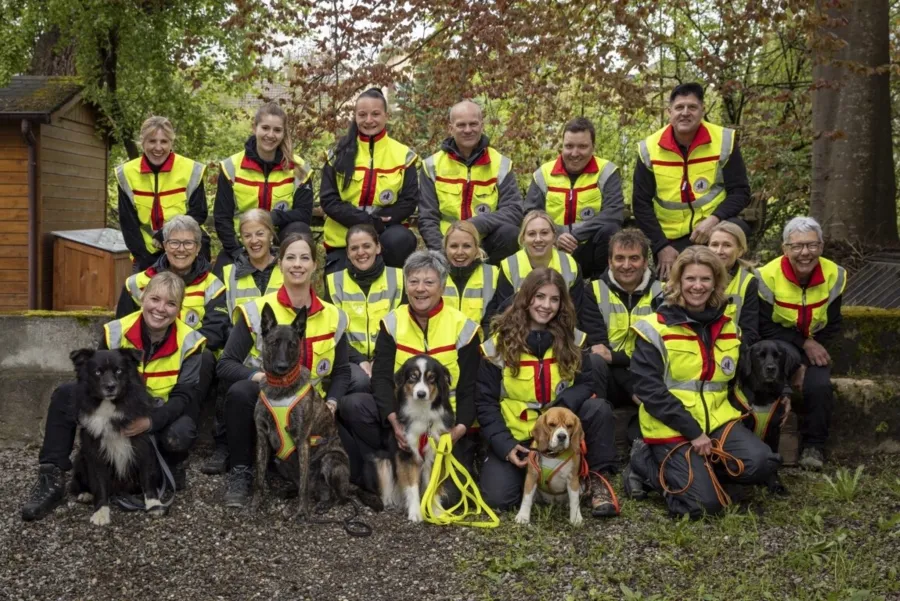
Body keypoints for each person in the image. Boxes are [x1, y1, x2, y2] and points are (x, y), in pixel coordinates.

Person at [21, 272, 209, 521]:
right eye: (155, 299)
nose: (161, 309)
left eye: (171, 303)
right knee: (65, 394)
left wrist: (150, 422)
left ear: (179, 309)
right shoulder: (115, 330)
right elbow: (96, 378)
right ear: (143, 297)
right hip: (122, 404)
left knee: (179, 434)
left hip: (159, 410)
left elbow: (184, 396)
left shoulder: (191, 341)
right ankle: (51, 475)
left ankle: (160, 472)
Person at [623, 246, 780, 518]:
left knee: (763, 463)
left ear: (716, 282)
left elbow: (739, 379)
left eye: (705, 279)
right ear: (677, 282)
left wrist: (782, 393)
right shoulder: (654, 327)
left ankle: (698, 471)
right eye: (690, 279)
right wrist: (694, 432)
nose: (698, 286)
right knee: (704, 507)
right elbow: (650, 391)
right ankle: (643, 465)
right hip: (671, 427)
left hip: (719, 423)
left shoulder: (729, 326)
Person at [216, 232, 351, 507]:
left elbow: (343, 371)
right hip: (268, 396)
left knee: (351, 469)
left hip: (313, 411)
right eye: (290, 257)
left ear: (315, 265)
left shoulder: (333, 315)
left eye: (305, 258)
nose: (297, 264)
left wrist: (333, 402)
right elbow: (226, 363)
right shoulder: (256, 311)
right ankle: (242, 472)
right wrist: (258, 377)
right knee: (240, 392)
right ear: (280, 264)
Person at [477, 267, 618, 517]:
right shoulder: (498, 343)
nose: (546, 305)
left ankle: (596, 479)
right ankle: (531, 474)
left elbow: (587, 383)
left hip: (561, 433)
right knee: (500, 499)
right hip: (518, 436)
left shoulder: (573, 338)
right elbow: (485, 402)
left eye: (554, 299)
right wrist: (506, 446)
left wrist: (562, 404)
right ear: (526, 298)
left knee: (599, 409)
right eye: (539, 297)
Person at [341, 251, 480, 499]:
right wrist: (395, 423)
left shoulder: (464, 327)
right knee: (354, 405)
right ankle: (383, 468)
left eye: (429, 282)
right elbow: (381, 378)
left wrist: (457, 431)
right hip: (404, 418)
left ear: (443, 286)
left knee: (451, 499)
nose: (420, 289)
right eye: (413, 282)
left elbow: (471, 387)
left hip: (445, 424)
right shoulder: (392, 323)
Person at [632, 82, 751, 280]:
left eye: (692, 107)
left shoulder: (724, 140)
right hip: (671, 238)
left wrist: (714, 219)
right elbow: (640, 204)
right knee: (674, 288)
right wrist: (661, 246)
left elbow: (740, 191)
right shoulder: (649, 149)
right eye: (679, 107)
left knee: (725, 259)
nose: (685, 113)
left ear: (702, 110)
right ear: (669, 112)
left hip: (716, 229)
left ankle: (733, 298)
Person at [755, 217, 846, 471]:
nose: (805, 253)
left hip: (816, 344)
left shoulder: (835, 275)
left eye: (811, 245)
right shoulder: (765, 276)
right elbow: (764, 326)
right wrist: (801, 347)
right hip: (778, 344)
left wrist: (807, 356)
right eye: (796, 246)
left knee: (819, 386)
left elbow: (834, 323)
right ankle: (764, 447)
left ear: (822, 246)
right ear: (785, 249)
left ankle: (814, 447)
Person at [202, 209, 283, 475]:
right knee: (227, 372)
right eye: (247, 235)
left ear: (272, 234)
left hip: (278, 356)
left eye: (260, 233)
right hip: (242, 354)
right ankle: (223, 444)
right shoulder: (227, 273)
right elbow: (222, 316)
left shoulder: (288, 268)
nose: (254, 240)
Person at [320, 88, 418, 274]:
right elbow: (329, 200)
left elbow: (409, 200)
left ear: (386, 116)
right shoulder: (337, 155)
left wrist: (380, 223)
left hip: (385, 237)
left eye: (375, 114)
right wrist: (366, 221)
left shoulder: (403, 155)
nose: (369, 120)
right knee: (339, 289)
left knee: (402, 239)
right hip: (343, 239)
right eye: (362, 114)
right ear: (355, 116)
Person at [419, 100, 523, 264]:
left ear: (482, 125)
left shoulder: (500, 164)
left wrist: (475, 224)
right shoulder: (432, 165)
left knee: (510, 233)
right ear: (450, 128)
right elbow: (427, 218)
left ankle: (496, 283)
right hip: (447, 246)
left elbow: (514, 210)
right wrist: (443, 253)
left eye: (473, 124)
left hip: (487, 242)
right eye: (461, 125)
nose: (468, 130)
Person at [214, 102, 313, 272]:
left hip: (282, 241)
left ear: (283, 133)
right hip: (243, 241)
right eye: (265, 128)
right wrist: (236, 251)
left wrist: (271, 218)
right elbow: (222, 217)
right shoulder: (231, 167)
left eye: (277, 130)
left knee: (300, 230)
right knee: (221, 273)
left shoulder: (299, 168)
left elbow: (303, 214)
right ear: (255, 128)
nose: (270, 135)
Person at [488, 211, 608, 349]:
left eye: (544, 233)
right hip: (520, 337)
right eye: (532, 234)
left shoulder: (570, 264)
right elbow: (507, 313)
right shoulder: (510, 265)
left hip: (561, 336)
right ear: (523, 238)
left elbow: (575, 313)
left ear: (554, 236)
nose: (538, 239)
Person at [524, 117, 624, 279]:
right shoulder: (542, 174)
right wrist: (556, 237)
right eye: (569, 146)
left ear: (593, 147)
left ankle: (599, 287)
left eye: (582, 146)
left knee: (611, 230)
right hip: (552, 249)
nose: (575, 153)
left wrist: (575, 236)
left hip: (588, 250)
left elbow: (614, 213)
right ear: (561, 146)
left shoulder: (607, 171)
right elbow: (530, 214)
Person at [586, 229, 663, 438]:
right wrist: (631, 387)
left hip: (649, 376)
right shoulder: (593, 291)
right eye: (619, 258)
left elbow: (661, 350)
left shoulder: (663, 293)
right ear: (609, 262)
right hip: (610, 379)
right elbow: (599, 350)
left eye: (634, 258)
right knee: (593, 362)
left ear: (646, 262)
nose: (626, 265)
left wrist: (616, 357)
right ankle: (598, 438)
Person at [117, 216, 228, 354]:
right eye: (174, 243)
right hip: (145, 356)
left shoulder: (213, 286)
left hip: (193, 357)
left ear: (198, 247)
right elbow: (123, 329)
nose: (181, 249)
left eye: (188, 243)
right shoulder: (135, 284)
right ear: (165, 246)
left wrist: (174, 350)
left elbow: (214, 334)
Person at [116, 116, 208, 272]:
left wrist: (165, 235)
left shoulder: (191, 169)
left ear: (171, 143)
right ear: (142, 142)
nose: (158, 148)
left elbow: (199, 213)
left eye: (164, 141)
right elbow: (128, 223)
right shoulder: (126, 173)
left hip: (187, 251)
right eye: (152, 141)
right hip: (145, 253)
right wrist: (143, 258)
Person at [324, 224, 405, 393]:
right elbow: (332, 332)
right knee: (361, 382)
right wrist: (360, 360)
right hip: (350, 358)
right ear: (347, 252)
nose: (361, 252)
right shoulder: (333, 282)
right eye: (354, 248)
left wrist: (380, 358)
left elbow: (403, 325)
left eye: (367, 246)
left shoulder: (398, 278)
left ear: (378, 248)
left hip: (390, 354)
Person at [441, 221, 499, 336]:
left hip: (479, 348)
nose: (460, 252)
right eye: (454, 246)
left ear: (476, 248)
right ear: (445, 248)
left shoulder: (493, 274)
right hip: (442, 348)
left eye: (467, 246)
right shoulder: (434, 273)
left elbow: (494, 321)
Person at [708, 221, 759, 347]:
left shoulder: (748, 282)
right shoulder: (694, 275)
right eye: (714, 245)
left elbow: (749, 332)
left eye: (727, 245)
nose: (719, 251)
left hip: (732, 349)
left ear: (740, 251)